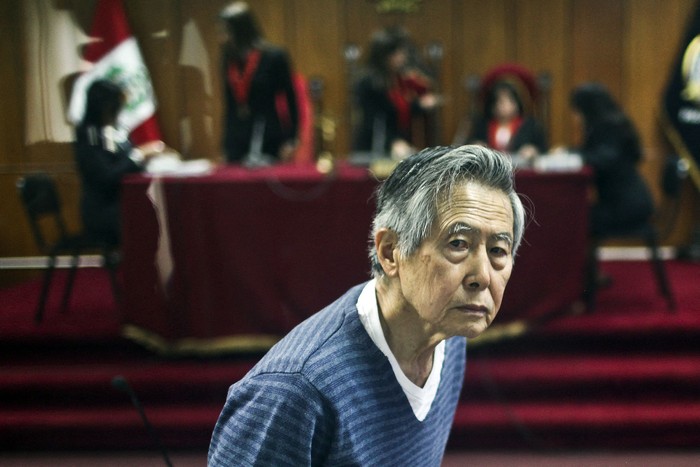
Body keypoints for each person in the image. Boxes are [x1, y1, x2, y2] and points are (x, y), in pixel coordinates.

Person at [208, 145, 526, 465]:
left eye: (498, 250)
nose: (483, 277)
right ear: (390, 252)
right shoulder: (293, 393)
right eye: (458, 244)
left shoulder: (448, 335)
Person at [74, 79, 163, 246]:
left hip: (124, 203)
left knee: (163, 213)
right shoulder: (88, 136)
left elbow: (126, 163)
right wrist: (137, 155)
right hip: (104, 210)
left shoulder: (115, 131)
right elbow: (107, 177)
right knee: (152, 220)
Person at [569, 82, 654, 236]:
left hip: (627, 206)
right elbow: (591, 152)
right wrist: (570, 153)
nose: (575, 118)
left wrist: (572, 157)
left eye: (577, 111)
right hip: (623, 202)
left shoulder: (610, 127)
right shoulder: (610, 124)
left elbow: (603, 159)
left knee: (570, 217)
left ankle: (572, 260)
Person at [219, 1, 298, 164]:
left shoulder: (274, 57)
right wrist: (226, 145)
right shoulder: (228, 60)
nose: (221, 38)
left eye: (225, 31)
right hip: (237, 139)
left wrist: (291, 139)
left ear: (240, 30)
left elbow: (290, 99)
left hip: (268, 135)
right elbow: (229, 105)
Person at [351, 28, 439, 159]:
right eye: (397, 53)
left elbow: (398, 109)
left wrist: (419, 105)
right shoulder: (369, 82)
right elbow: (373, 119)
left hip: (396, 145)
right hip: (374, 148)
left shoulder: (396, 78)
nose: (403, 57)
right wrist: (393, 141)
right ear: (384, 56)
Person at [467, 79, 548, 160]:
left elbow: (543, 151)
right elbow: (470, 146)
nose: (503, 106)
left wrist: (533, 151)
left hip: (520, 170)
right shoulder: (482, 125)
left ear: (517, 102)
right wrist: (476, 147)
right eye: (499, 101)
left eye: (508, 100)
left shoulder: (530, 126)